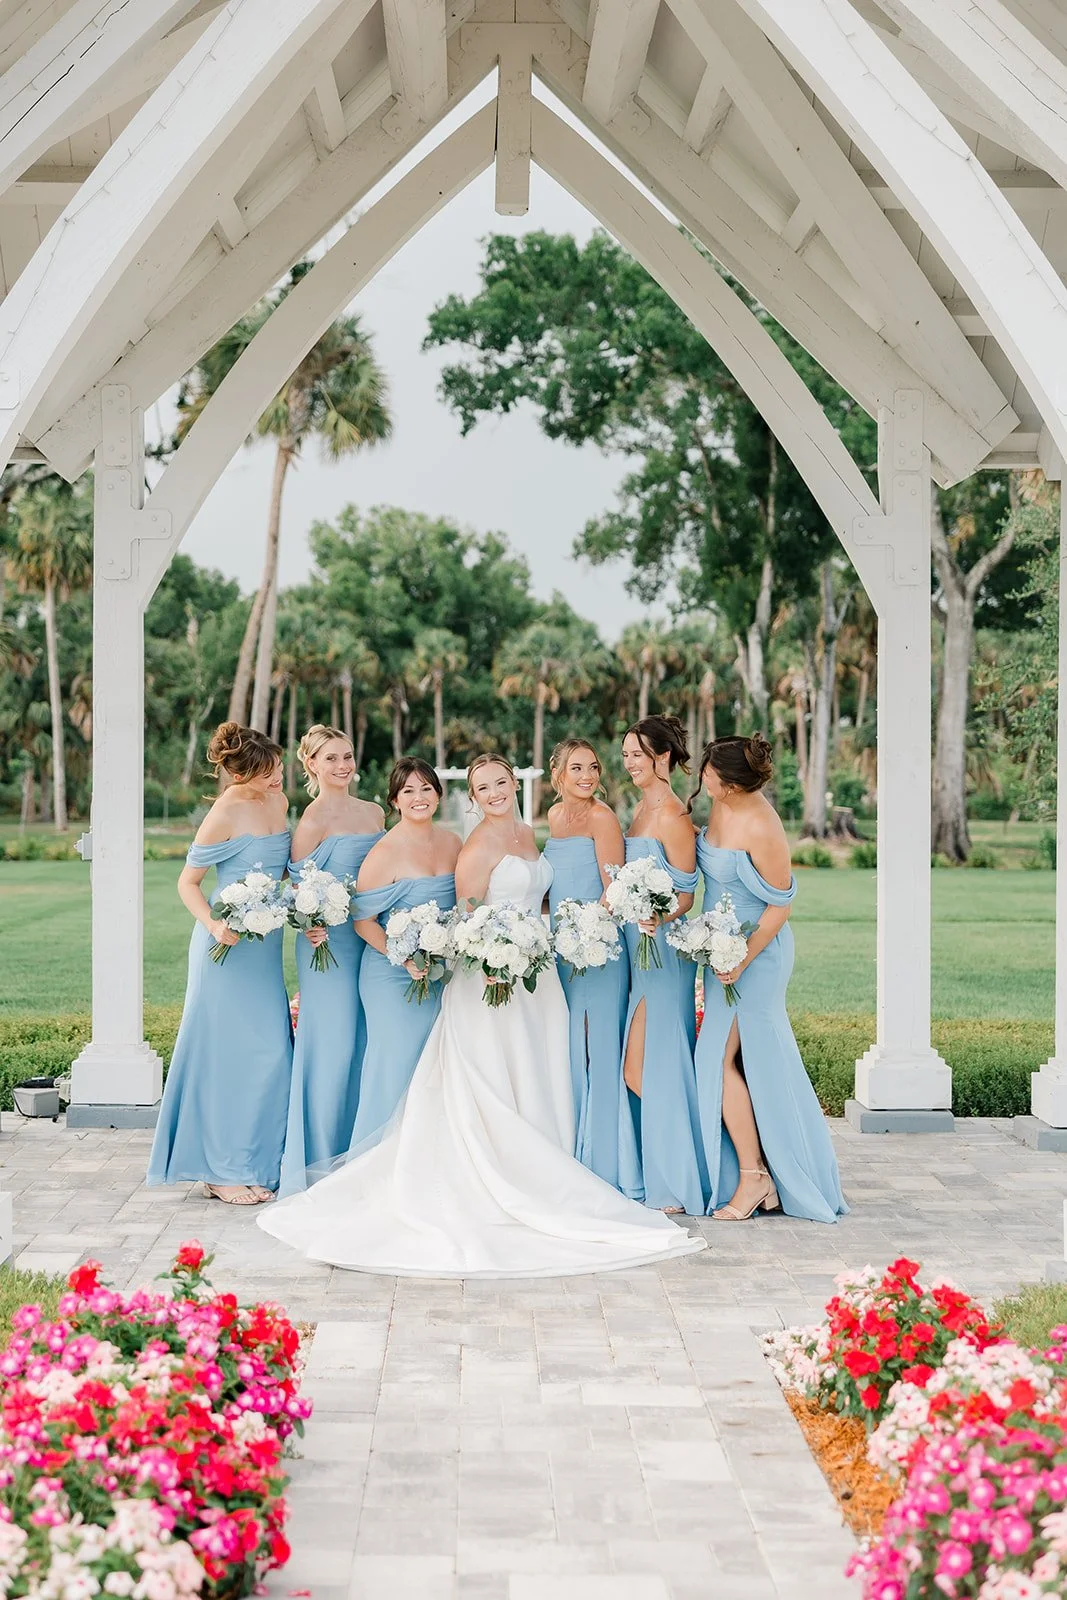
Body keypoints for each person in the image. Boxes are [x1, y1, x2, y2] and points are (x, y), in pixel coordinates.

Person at [258, 753, 706, 1276]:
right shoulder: (474, 845)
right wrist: (492, 956)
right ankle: (497, 1174)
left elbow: (537, 898)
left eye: (500, 782)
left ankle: (546, 1166)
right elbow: (467, 914)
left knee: (536, 1070)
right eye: (482, 787)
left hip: (534, 977)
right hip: (491, 977)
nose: (493, 792)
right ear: (471, 797)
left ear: (514, 784)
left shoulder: (526, 833)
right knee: (490, 1075)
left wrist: (551, 932)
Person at [692, 734, 847, 1224]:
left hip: (758, 955)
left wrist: (739, 958)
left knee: (724, 1061)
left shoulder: (762, 825)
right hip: (721, 951)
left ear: (733, 784)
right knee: (733, 1062)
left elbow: (780, 906)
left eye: (712, 773)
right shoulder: (720, 806)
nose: (704, 777)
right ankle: (766, 1175)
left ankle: (756, 1175)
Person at [147, 722, 291, 1204]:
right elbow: (188, 883)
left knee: (270, 1052)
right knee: (226, 1056)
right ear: (239, 773)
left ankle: (256, 1160)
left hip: (265, 947)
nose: (277, 777)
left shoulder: (281, 802)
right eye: (266, 771)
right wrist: (213, 924)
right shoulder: (225, 813)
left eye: (277, 766)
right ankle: (220, 1170)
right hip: (225, 949)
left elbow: (285, 871)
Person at [277, 726, 384, 1197]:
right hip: (329, 945)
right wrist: (309, 920)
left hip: (374, 938)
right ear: (312, 765)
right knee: (332, 1045)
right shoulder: (312, 820)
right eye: (331, 758)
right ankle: (319, 1159)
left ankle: (362, 1152)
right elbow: (297, 888)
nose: (343, 766)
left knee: (367, 1038)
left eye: (348, 756)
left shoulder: (375, 812)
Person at [344, 757, 460, 1150]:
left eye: (426, 788)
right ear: (395, 800)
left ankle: (424, 1158)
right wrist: (406, 958)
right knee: (393, 1066)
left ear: (438, 795)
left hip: (439, 974)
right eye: (408, 790)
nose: (419, 797)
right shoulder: (384, 852)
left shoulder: (453, 843)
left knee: (433, 1068)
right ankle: (374, 1160)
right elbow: (364, 922)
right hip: (391, 975)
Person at [620, 715, 707, 1217]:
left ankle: (677, 1177)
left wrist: (658, 913)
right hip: (638, 950)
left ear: (664, 758)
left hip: (663, 952)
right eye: (627, 753)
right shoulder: (639, 809)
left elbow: (687, 893)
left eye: (637, 754)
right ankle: (672, 1170)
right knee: (648, 1065)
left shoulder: (673, 815)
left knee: (644, 1067)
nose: (629, 762)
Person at [544, 738, 629, 1189]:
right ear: (557, 774)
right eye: (576, 768)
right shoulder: (555, 818)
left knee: (598, 1046)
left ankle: (604, 1161)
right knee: (570, 1044)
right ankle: (571, 1145)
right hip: (561, 952)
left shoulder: (602, 818)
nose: (587, 776)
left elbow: (613, 890)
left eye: (593, 767)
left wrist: (585, 936)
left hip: (596, 951)